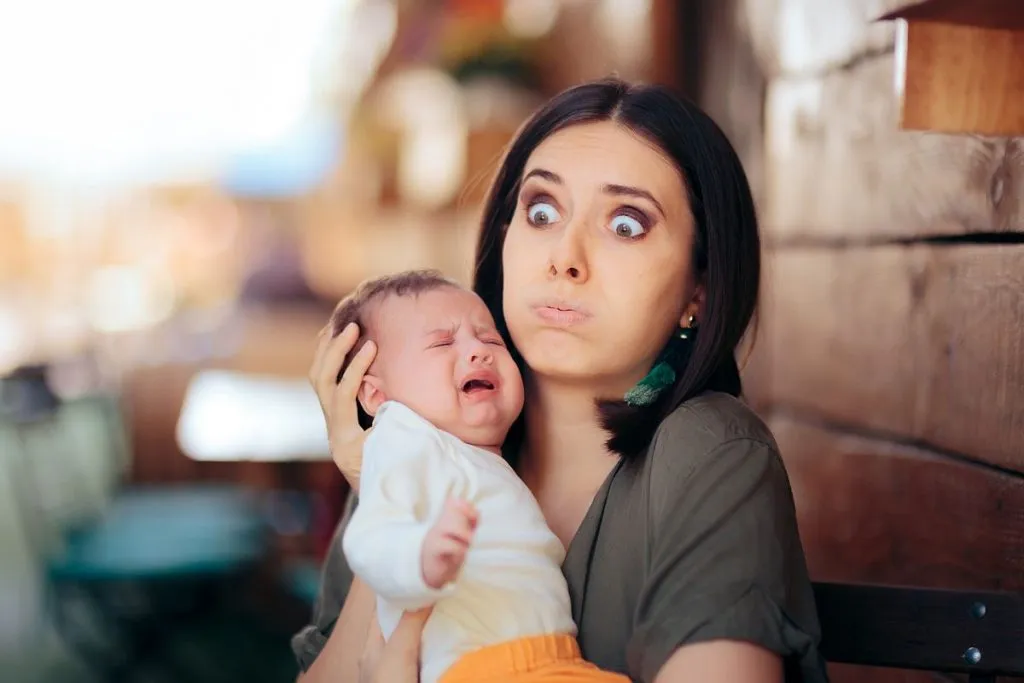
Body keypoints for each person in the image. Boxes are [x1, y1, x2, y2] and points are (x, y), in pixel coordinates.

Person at [295, 77, 830, 683]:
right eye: (541, 211)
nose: (565, 258)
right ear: (504, 239)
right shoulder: (418, 432)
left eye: (626, 224)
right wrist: (385, 487)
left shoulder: (712, 453)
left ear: (698, 293)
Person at [327, 270, 629, 683]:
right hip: (481, 668)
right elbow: (370, 535)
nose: (478, 352)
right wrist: (420, 559)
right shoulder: (404, 435)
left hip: (554, 659)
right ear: (377, 395)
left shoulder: (477, 457)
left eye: (491, 340)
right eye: (442, 342)